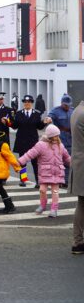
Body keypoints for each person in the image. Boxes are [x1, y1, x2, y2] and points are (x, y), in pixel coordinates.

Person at [19, 125, 71, 218]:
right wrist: (21, 161)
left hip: (57, 173)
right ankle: (43, 205)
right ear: (50, 136)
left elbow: (67, 157)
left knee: (55, 192)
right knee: (42, 190)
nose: (57, 137)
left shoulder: (60, 145)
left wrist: (75, 164)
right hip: (45, 172)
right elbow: (30, 154)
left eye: (58, 135)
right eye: (55, 136)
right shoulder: (41, 145)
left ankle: (54, 209)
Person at [12, 95, 46, 188]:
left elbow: (39, 126)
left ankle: (38, 181)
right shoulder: (19, 113)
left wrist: (44, 122)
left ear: (32, 103)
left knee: (35, 162)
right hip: (22, 141)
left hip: (33, 142)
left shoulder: (36, 114)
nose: (27, 103)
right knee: (22, 162)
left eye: (29, 102)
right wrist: (8, 122)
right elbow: (15, 126)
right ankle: (23, 180)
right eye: (25, 102)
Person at [46, 94, 74, 188]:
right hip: (59, 139)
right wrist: (48, 119)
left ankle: (66, 181)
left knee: (68, 161)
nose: (67, 107)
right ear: (62, 103)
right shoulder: (56, 111)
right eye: (66, 105)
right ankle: (58, 180)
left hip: (70, 139)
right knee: (58, 162)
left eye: (69, 105)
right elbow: (50, 116)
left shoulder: (72, 110)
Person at [70, 98, 84, 254]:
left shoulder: (77, 111)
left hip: (79, 163)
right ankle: (78, 241)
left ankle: (78, 242)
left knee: (82, 203)